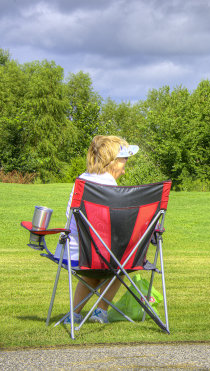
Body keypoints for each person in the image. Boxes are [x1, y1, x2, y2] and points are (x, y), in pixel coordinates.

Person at [54, 135, 139, 324]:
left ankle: (74, 315)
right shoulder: (109, 186)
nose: (125, 169)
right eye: (124, 161)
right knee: (122, 260)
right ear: (114, 162)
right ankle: (100, 311)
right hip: (94, 256)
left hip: (72, 253)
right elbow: (116, 227)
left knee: (100, 265)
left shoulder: (82, 181)